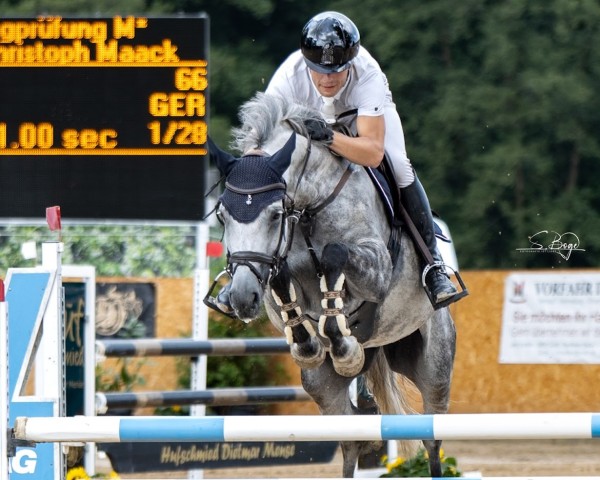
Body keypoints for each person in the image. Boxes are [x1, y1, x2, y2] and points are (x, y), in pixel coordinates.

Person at [262, 11, 460, 307]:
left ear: (351, 62)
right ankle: (247, 267)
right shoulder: (287, 78)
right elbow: (266, 143)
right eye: (318, 70)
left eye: (336, 71)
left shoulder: (368, 75)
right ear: (306, 62)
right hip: (311, 122)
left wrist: (329, 136)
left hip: (361, 121)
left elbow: (372, 152)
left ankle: (433, 266)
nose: (327, 79)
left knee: (399, 165)